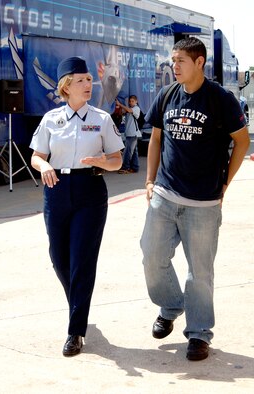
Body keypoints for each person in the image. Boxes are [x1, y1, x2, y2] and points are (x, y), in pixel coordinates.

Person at [140, 37, 250, 361]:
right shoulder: (167, 95)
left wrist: (224, 184)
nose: (173, 66)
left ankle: (199, 333)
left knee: (200, 272)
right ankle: (171, 304)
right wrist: (149, 179)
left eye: (180, 61)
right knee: (151, 257)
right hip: (165, 194)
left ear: (199, 62)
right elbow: (155, 138)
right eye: (172, 60)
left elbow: (242, 142)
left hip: (203, 203)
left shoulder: (220, 99)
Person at [29, 56, 124, 357]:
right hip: (56, 190)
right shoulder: (50, 120)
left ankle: (76, 331)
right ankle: (78, 304)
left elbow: (118, 160)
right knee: (59, 258)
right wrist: (43, 165)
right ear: (66, 86)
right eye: (82, 80)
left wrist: (102, 162)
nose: (89, 85)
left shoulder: (101, 119)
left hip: (90, 192)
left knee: (82, 260)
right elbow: (36, 155)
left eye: (89, 80)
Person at [116, 95, 142, 174]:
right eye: (130, 101)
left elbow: (129, 110)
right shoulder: (128, 109)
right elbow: (121, 113)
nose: (131, 103)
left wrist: (120, 105)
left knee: (128, 152)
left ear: (136, 102)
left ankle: (125, 167)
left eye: (132, 101)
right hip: (129, 133)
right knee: (134, 152)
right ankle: (135, 167)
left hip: (133, 134)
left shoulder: (136, 109)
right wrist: (119, 107)